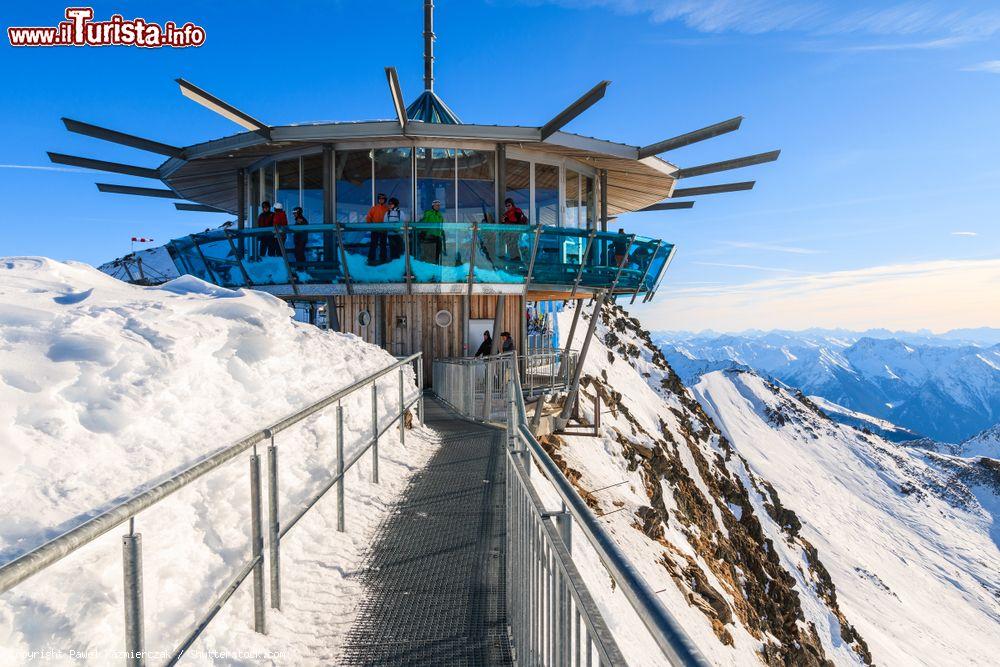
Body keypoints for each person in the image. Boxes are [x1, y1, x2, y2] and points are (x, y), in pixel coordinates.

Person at [367, 193, 390, 264]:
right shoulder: (374, 208)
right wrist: (371, 226)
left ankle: (383, 258)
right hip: (375, 229)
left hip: (384, 230)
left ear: (385, 200)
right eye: (380, 199)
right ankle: (371, 258)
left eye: (382, 199)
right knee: (373, 244)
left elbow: (390, 218)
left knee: (383, 244)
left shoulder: (387, 209)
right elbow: (368, 217)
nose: (381, 200)